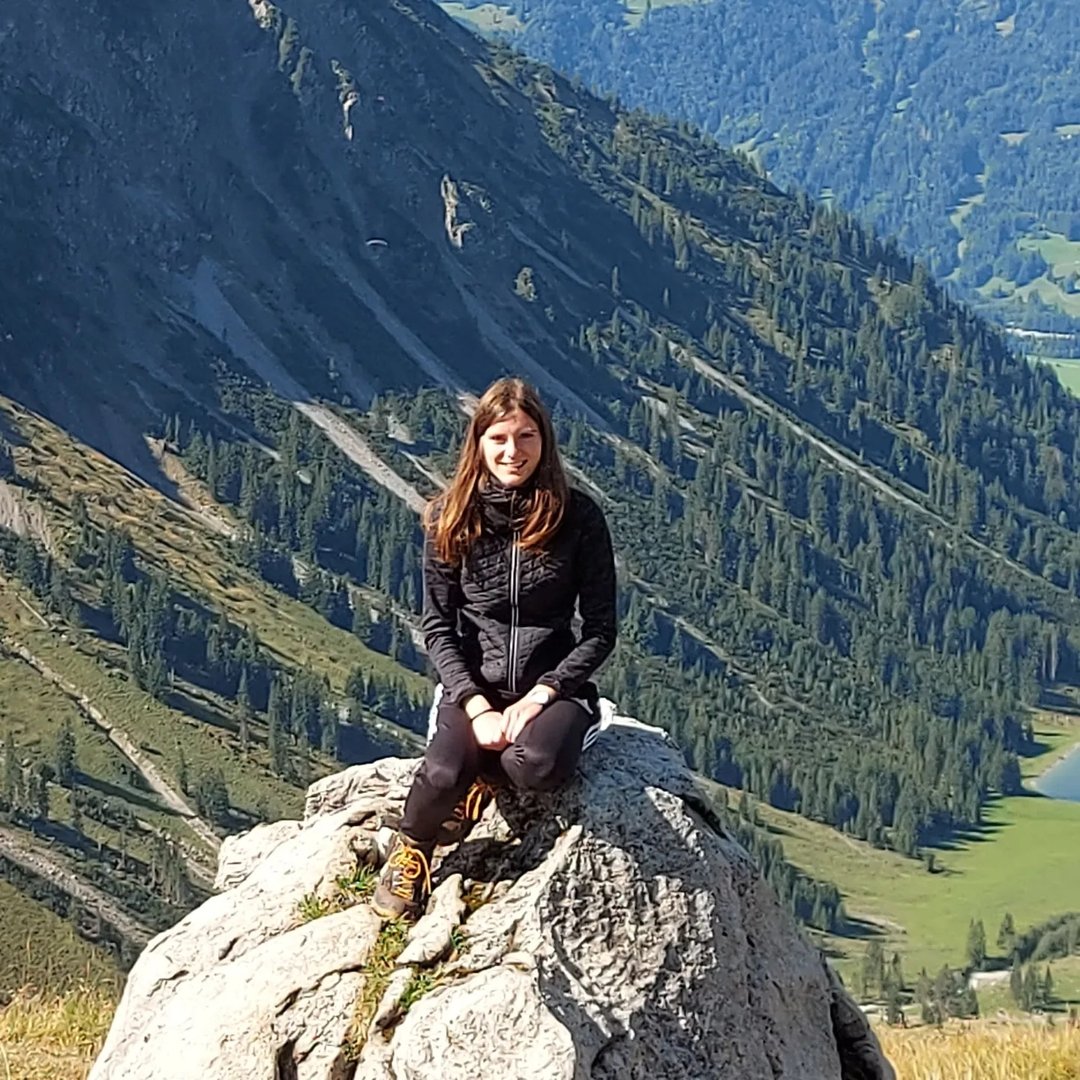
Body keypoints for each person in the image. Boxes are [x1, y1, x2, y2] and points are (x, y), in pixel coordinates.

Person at [372, 377, 618, 920]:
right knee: (441, 774)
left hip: (552, 687)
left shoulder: (578, 518)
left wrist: (543, 695)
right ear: (479, 443)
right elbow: (438, 626)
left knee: (537, 766)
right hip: (474, 685)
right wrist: (475, 704)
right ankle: (413, 848)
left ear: (544, 440)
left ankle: (491, 770)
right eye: (499, 438)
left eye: (526, 436)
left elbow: (600, 629)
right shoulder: (451, 517)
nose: (513, 452)